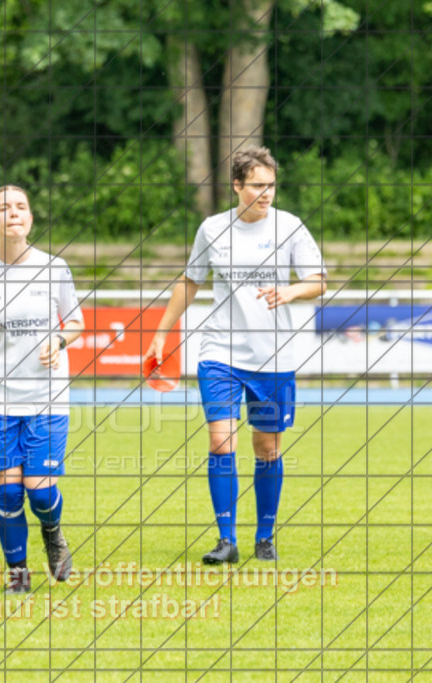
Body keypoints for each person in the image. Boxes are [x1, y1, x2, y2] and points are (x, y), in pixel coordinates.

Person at [145, 146, 327, 563]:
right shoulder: (212, 229)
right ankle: (226, 539)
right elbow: (189, 282)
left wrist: (290, 291)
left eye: (272, 185)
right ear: (237, 186)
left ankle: (265, 536)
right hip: (220, 352)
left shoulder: (290, 227)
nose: (266, 193)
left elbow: (318, 281)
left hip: (272, 358)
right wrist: (161, 334)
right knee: (221, 442)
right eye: (258, 185)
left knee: (266, 448)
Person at [0, 185, 85, 594]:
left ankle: (53, 530)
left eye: (22, 207)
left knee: (39, 493)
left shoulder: (55, 268)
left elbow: (76, 324)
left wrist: (59, 341)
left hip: (47, 398)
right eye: (4, 208)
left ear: (30, 220)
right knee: (9, 494)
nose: (14, 213)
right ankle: (18, 574)